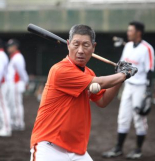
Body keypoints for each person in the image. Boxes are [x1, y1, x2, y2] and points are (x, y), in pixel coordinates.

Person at [30, 24, 137, 161]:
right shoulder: (60, 70)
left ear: (93, 47)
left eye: (86, 45)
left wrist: (119, 79)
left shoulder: (88, 73)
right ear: (68, 44)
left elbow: (103, 101)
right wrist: (124, 75)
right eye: (76, 44)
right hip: (49, 147)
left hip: (77, 151)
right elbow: (101, 82)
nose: (80, 50)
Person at [102, 21, 155, 159]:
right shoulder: (128, 46)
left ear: (138, 32)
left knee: (139, 118)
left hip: (141, 87)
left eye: (130, 30)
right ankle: (118, 148)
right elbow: (121, 65)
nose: (128, 33)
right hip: (128, 86)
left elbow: (150, 71)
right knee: (123, 117)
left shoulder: (147, 48)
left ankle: (138, 150)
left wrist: (148, 92)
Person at [6, 39, 28, 131]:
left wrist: (26, 81)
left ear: (15, 46)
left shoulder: (18, 57)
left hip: (16, 83)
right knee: (13, 104)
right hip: (13, 84)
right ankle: (16, 122)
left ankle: (19, 123)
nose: (8, 48)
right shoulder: (14, 57)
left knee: (17, 104)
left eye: (10, 46)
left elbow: (21, 72)